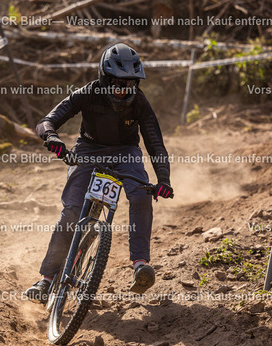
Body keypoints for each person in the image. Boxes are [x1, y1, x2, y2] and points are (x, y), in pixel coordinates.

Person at [24, 43, 174, 302]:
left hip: (126, 153)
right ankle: (46, 280)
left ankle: (140, 265)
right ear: (105, 79)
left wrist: (163, 179)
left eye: (131, 84)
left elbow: (155, 143)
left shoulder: (139, 101)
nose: (125, 89)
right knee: (71, 213)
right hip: (88, 150)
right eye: (119, 83)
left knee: (141, 195)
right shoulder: (88, 93)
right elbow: (47, 121)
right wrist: (52, 138)